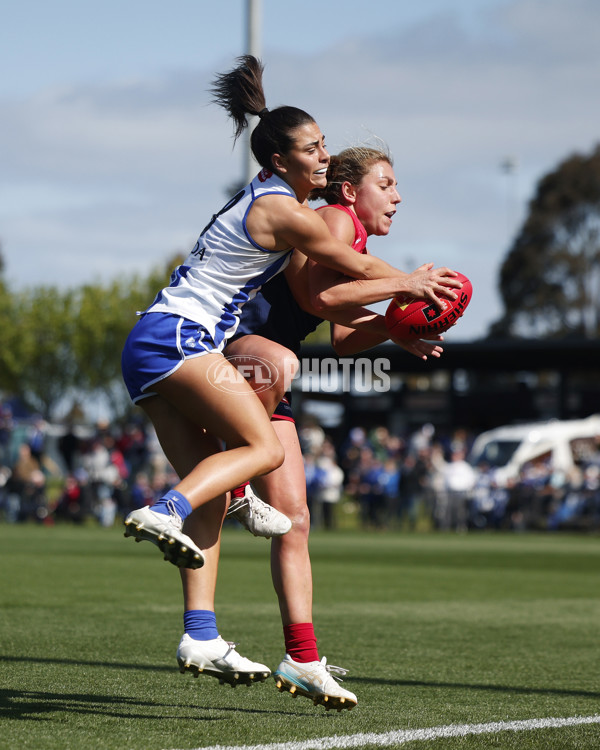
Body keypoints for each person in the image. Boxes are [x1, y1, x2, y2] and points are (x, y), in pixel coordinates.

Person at [121, 55, 460, 687]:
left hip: (153, 345)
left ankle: (202, 635)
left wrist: (394, 319)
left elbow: (343, 313)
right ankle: (169, 508)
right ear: (279, 161)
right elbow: (334, 284)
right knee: (262, 434)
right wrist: (411, 283)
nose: (324, 158)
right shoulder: (294, 211)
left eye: (326, 145)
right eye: (312, 148)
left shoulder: (286, 203)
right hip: (180, 339)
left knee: (227, 486)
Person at [176, 143, 461, 709]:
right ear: (352, 191)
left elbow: (340, 332)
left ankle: (302, 659)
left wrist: (393, 331)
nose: (398, 196)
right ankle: (231, 488)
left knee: (295, 520)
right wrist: (403, 287)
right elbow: (319, 294)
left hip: (267, 369)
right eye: (388, 183)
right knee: (281, 366)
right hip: (232, 354)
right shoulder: (335, 218)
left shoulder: (350, 235)